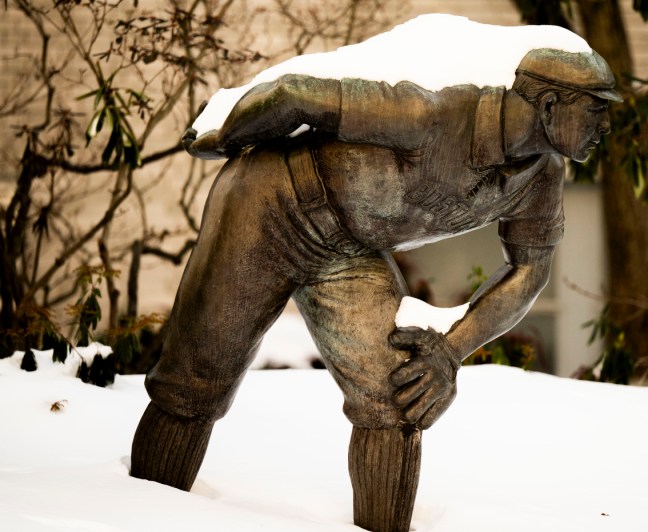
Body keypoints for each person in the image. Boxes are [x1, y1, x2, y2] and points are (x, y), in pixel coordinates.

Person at [131, 45, 620, 532]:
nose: (606, 127)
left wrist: (449, 351)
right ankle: (135, 515)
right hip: (269, 205)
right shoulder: (433, 113)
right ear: (551, 106)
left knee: (398, 397)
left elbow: (529, 271)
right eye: (597, 110)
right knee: (194, 383)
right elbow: (293, 95)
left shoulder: (544, 176)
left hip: (349, 251)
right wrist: (224, 136)